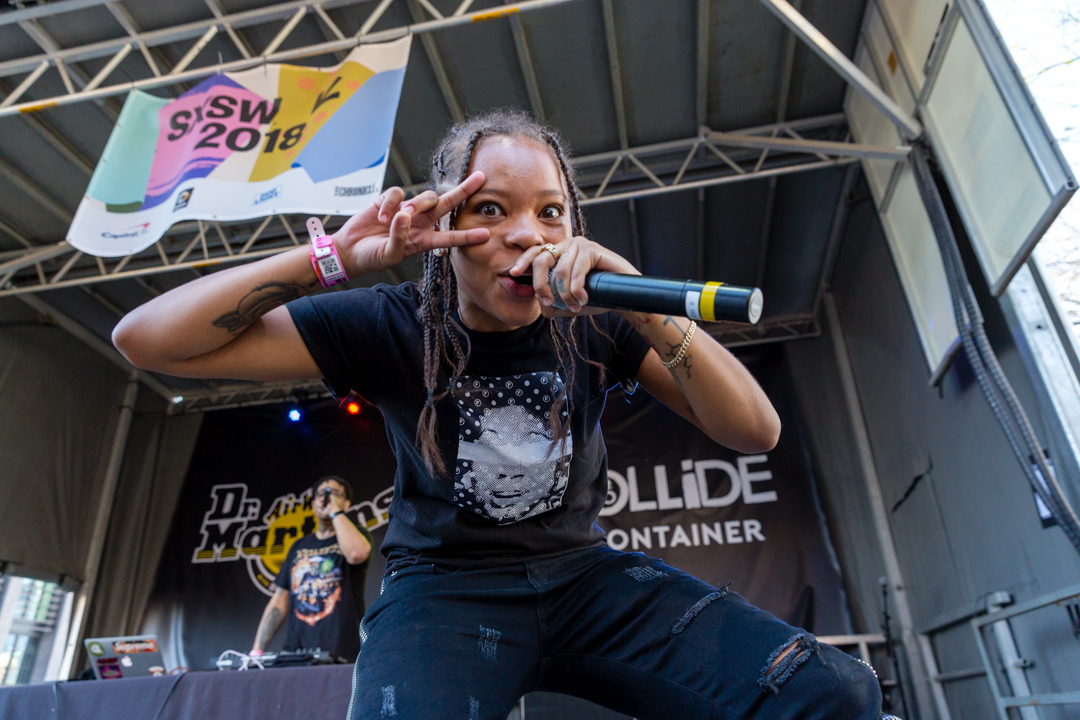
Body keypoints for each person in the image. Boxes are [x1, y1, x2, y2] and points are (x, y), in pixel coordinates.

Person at [113, 109, 884, 719]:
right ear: (442, 230)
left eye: (551, 213)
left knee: (832, 693)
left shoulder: (597, 319)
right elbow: (146, 340)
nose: (527, 234)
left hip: (584, 578)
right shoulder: (389, 323)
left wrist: (636, 296)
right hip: (443, 592)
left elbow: (756, 430)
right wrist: (334, 258)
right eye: (491, 208)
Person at [250, 475, 373, 661]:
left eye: (334, 493)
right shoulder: (299, 546)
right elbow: (279, 600)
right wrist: (257, 651)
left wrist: (336, 512)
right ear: (313, 503)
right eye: (321, 494)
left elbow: (356, 554)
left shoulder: (358, 534)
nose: (326, 497)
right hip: (297, 650)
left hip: (342, 649)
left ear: (346, 504)